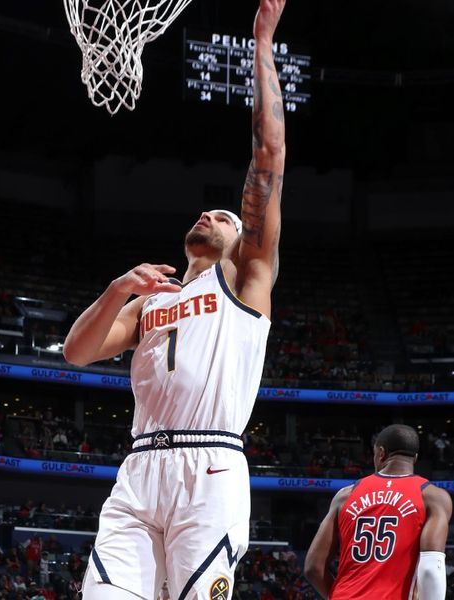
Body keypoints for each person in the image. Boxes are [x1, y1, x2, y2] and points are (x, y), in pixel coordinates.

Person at [63, 0, 287, 596]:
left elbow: (268, 159)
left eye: (222, 215)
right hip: (139, 468)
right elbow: (76, 353)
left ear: (243, 240)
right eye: (203, 212)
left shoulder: (243, 280)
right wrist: (117, 291)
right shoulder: (147, 299)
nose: (209, 215)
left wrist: (262, 45)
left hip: (210, 467)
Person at [304, 425, 452, 600]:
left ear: (381, 453)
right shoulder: (432, 497)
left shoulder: (345, 495)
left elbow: (313, 568)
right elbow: (430, 568)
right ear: (415, 458)